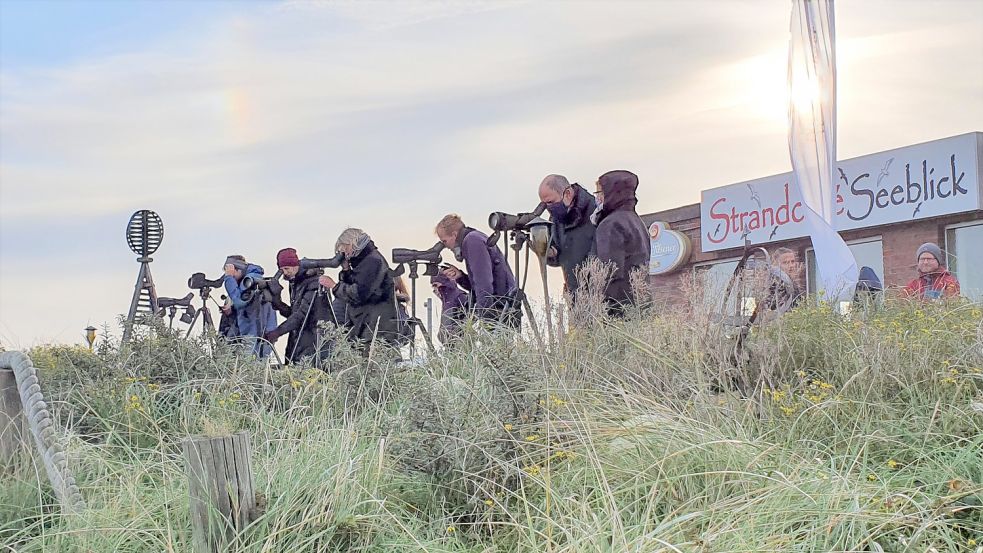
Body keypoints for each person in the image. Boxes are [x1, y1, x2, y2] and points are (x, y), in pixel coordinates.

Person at [319, 228, 400, 350]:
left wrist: (334, 286)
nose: (344, 254)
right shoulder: (365, 261)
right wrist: (346, 271)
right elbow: (358, 284)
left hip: (376, 328)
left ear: (352, 244)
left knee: (372, 365)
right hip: (368, 324)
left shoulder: (372, 262)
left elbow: (359, 294)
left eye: (344, 249)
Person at [435, 214, 520, 327]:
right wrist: (461, 277)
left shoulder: (472, 242)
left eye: (444, 241)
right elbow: (481, 282)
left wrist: (486, 319)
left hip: (499, 307)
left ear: (454, 235)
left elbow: (483, 283)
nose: (445, 246)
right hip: (503, 303)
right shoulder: (474, 238)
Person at [591, 170, 651, 316]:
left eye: (599, 192)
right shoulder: (636, 221)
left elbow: (609, 273)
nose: (597, 198)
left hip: (620, 311)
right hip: (641, 304)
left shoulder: (610, 224)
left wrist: (604, 313)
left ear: (611, 193)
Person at [263, 248, 336, 365]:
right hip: (300, 336)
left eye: (286, 268)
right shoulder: (296, 283)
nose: (285, 272)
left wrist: (277, 332)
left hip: (314, 338)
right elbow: (293, 313)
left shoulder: (314, 283)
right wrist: (277, 301)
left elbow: (302, 315)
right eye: (282, 270)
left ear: (295, 265)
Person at [538, 174, 597, 298]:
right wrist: (549, 254)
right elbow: (561, 258)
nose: (548, 208)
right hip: (574, 295)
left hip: (599, 293)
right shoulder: (556, 219)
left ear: (568, 193)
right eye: (544, 205)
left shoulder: (595, 212)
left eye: (550, 202)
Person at [223, 255, 277, 358]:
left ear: (236, 269)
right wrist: (232, 307)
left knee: (249, 367)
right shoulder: (250, 279)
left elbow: (239, 300)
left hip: (256, 335)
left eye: (230, 272)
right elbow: (244, 301)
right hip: (259, 333)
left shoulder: (250, 280)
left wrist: (229, 278)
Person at [431, 272, 469, 345]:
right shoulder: (447, 299)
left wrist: (457, 333)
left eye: (435, 285)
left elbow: (472, 316)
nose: (434, 289)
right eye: (433, 286)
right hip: (451, 345)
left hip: (460, 345)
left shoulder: (460, 296)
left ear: (444, 282)